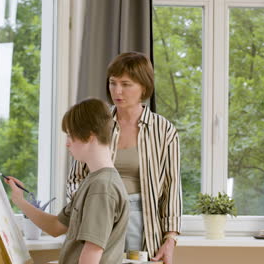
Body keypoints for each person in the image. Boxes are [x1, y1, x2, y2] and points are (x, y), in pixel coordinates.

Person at [67, 52, 182, 264]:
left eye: (126, 84)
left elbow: (171, 188)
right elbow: (75, 178)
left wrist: (171, 238)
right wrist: (87, 209)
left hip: (143, 221)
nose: (117, 91)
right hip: (99, 217)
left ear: (144, 88)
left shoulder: (164, 130)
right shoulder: (97, 124)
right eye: (113, 83)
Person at [6, 98, 130, 264]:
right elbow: (56, 226)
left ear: (90, 136)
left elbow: (91, 256)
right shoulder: (93, 181)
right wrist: (20, 201)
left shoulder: (102, 187)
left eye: (71, 135)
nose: (67, 143)